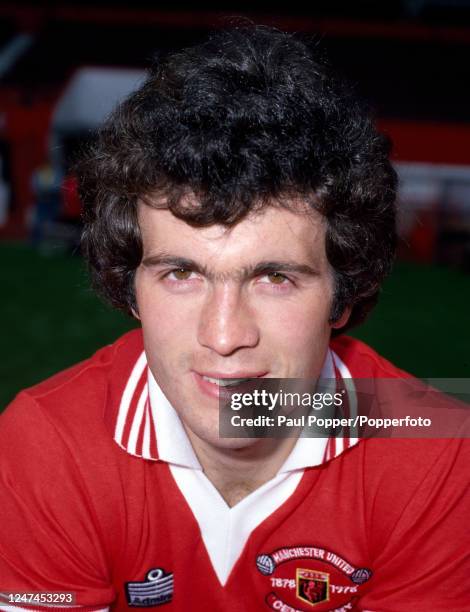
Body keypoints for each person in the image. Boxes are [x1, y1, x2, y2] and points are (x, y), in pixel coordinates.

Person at [0, 26, 469, 612]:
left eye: (274, 278)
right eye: (182, 274)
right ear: (131, 287)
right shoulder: (46, 445)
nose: (223, 337)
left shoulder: (440, 456)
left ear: (343, 296)